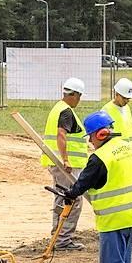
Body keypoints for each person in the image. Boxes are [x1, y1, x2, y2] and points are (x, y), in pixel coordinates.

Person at [60, 109, 132, 263]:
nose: (89, 142)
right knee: (123, 261)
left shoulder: (100, 157)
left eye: (90, 137)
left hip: (114, 217)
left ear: (100, 134)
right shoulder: (129, 148)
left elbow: (83, 183)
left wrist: (69, 194)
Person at [40, 77, 88, 250]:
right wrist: (66, 159)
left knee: (63, 197)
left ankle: (58, 236)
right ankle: (62, 240)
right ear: (74, 95)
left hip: (59, 162)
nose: (79, 100)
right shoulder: (66, 111)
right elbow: (61, 135)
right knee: (72, 199)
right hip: (66, 164)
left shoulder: (57, 108)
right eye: (79, 96)